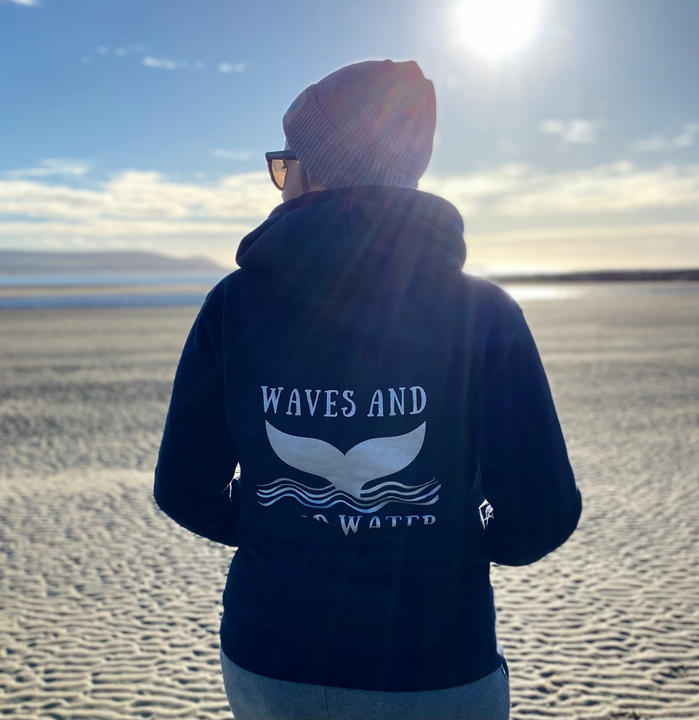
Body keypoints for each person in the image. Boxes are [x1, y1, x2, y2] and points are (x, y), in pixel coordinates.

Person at [154, 59, 582, 720]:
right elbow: (540, 517)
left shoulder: (233, 307)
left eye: (282, 164)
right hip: (438, 658)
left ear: (311, 169)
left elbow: (184, 489)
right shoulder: (484, 313)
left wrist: (278, 522)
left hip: (273, 656)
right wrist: (462, 536)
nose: (278, 181)